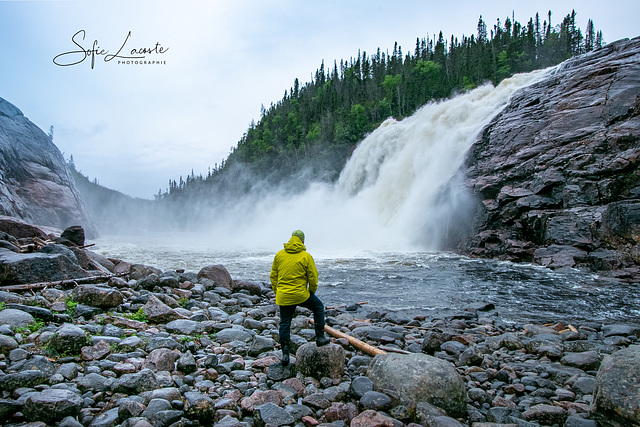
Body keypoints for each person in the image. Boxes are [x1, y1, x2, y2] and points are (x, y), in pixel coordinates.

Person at [270, 229, 330, 365]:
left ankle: (285, 353)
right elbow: (313, 277)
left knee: (285, 322)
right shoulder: (305, 256)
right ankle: (320, 337)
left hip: (284, 296)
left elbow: (273, 276)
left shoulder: (279, 255)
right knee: (318, 306)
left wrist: (277, 291)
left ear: (291, 239)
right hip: (301, 295)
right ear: (302, 241)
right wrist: (311, 291)